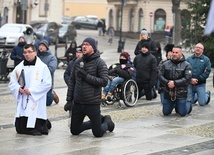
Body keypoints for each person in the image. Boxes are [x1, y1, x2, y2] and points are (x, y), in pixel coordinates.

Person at [64, 37, 115, 137]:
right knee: (74, 131)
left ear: (93, 48)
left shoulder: (100, 62)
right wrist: (69, 100)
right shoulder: (77, 63)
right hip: (78, 103)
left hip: (92, 103)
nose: (84, 46)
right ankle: (98, 120)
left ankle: (107, 122)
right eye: (83, 44)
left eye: (87, 44)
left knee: (98, 133)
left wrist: (87, 77)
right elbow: (72, 82)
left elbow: (104, 81)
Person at [8, 44, 52, 135]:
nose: (27, 54)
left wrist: (32, 91)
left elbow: (47, 84)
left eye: (29, 52)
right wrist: (18, 88)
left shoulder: (42, 67)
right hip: (23, 97)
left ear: (35, 53)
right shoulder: (19, 67)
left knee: (36, 127)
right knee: (20, 130)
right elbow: (12, 82)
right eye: (25, 52)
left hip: (35, 98)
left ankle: (44, 123)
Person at [158, 45, 192, 116]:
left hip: (181, 92)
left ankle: (187, 104)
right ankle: (175, 105)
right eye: (173, 52)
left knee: (182, 113)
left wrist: (175, 83)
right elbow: (160, 75)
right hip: (169, 92)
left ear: (180, 53)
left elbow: (187, 78)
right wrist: (167, 82)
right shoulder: (165, 64)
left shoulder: (187, 65)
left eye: (176, 52)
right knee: (166, 113)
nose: (174, 54)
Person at [37, 40, 59, 106]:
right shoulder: (36, 56)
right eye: (40, 45)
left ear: (46, 47)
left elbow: (52, 69)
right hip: (37, 81)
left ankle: (52, 94)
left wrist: (41, 71)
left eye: (43, 46)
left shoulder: (52, 57)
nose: (41, 47)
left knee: (47, 103)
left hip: (47, 82)